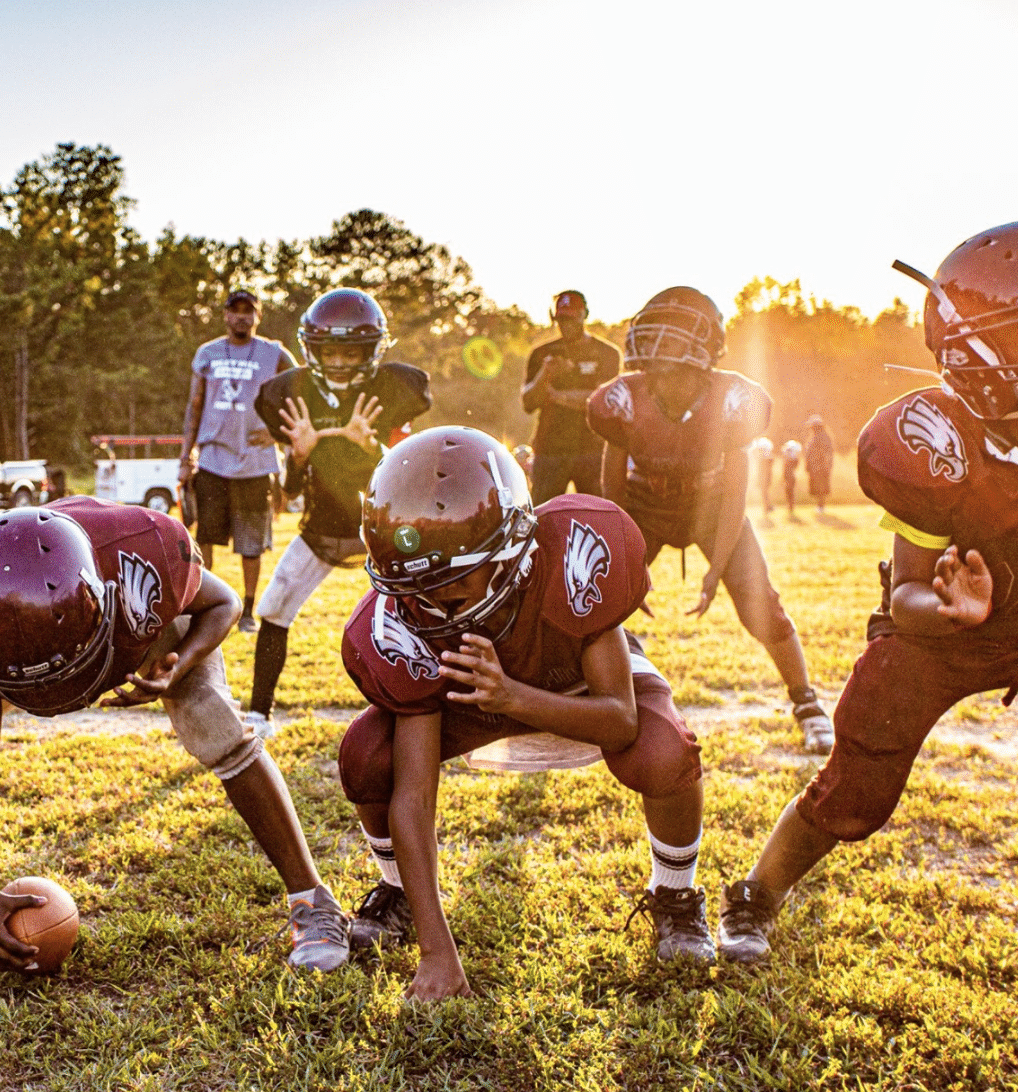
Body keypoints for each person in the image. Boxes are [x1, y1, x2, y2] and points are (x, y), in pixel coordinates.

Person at [0, 498, 351, 973]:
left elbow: (221, 602)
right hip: (30, 645)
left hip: (134, 640)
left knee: (209, 713)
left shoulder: (143, 553)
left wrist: (180, 668)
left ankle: (313, 897)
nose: (52, 699)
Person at [718, 224, 1018, 963]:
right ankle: (757, 894)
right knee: (855, 789)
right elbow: (909, 593)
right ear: (978, 354)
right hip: (946, 637)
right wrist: (953, 611)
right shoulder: (935, 438)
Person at [337, 428, 709, 1000]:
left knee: (663, 751)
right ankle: (397, 895)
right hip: (477, 704)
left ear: (511, 548)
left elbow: (620, 721)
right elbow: (413, 797)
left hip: (579, 690)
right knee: (367, 755)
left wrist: (513, 696)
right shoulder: (411, 613)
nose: (433, 606)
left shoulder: (572, 558)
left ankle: (675, 894)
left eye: (453, 585)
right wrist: (439, 953)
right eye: (418, 590)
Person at [586, 287, 833, 754]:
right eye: (656, 366)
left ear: (702, 359)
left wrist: (716, 571)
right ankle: (582, 699)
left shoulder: (730, 399)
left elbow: (735, 497)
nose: (661, 374)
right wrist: (625, 565)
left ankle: (807, 703)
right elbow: (612, 498)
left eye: (674, 365)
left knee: (760, 604)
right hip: (644, 504)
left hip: (711, 505)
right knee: (594, 595)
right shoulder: (623, 399)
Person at [244, 288, 432, 736]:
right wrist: (301, 454)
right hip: (324, 526)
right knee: (274, 608)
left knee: (431, 609)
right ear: (313, 350)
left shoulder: (391, 388)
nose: (342, 364)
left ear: (373, 351)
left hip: (388, 524)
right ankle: (258, 713)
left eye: (352, 354)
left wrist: (373, 447)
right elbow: (290, 492)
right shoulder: (291, 394)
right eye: (331, 353)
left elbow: (406, 471)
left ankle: (436, 705)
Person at [179, 289, 297, 634]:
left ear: (258, 316)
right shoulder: (208, 353)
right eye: (235, 310)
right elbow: (194, 406)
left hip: (256, 463)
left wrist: (279, 435)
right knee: (207, 539)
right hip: (213, 460)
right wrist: (186, 457)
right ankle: (205, 605)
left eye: (249, 311)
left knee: (251, 544)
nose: (242, 316)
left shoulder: (274, 353)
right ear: (226, 315)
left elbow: (304, 390)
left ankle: (246, 611)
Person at [520, 290, 621, 505]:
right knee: (542, 516)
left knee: (598, 516)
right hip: (550, 450)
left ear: (584, 315)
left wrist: (555, 395)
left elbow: (601, 402)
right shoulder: (541, 354)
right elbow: (528, 402)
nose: (566, 325)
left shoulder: (607, 353)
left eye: (571, 319)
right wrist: (545, 374)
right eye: (561, 320)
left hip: (592, 449)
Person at [804, 415, 834, 513]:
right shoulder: (816, 436)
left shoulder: (822, 437)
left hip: (820, 467)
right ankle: (820, 506)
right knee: (817, 486)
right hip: (816, 467)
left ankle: (821, 507)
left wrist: (825, 466)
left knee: (820, 486)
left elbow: (826, 453)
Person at [751, 436, 775, 515]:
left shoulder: (765, 459)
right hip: (765, 474)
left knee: (764, 491)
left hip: (764, 474)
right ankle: (768, 507)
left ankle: (767, 507)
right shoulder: (769, 458)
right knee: (764, 491)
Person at [780, 438, 803, 520]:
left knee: (790, 492)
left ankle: (790, 506)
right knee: (789, 492)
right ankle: (790, 506)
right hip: (789, 477)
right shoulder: (792, 460)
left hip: (790, 478)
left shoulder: (792, 460)